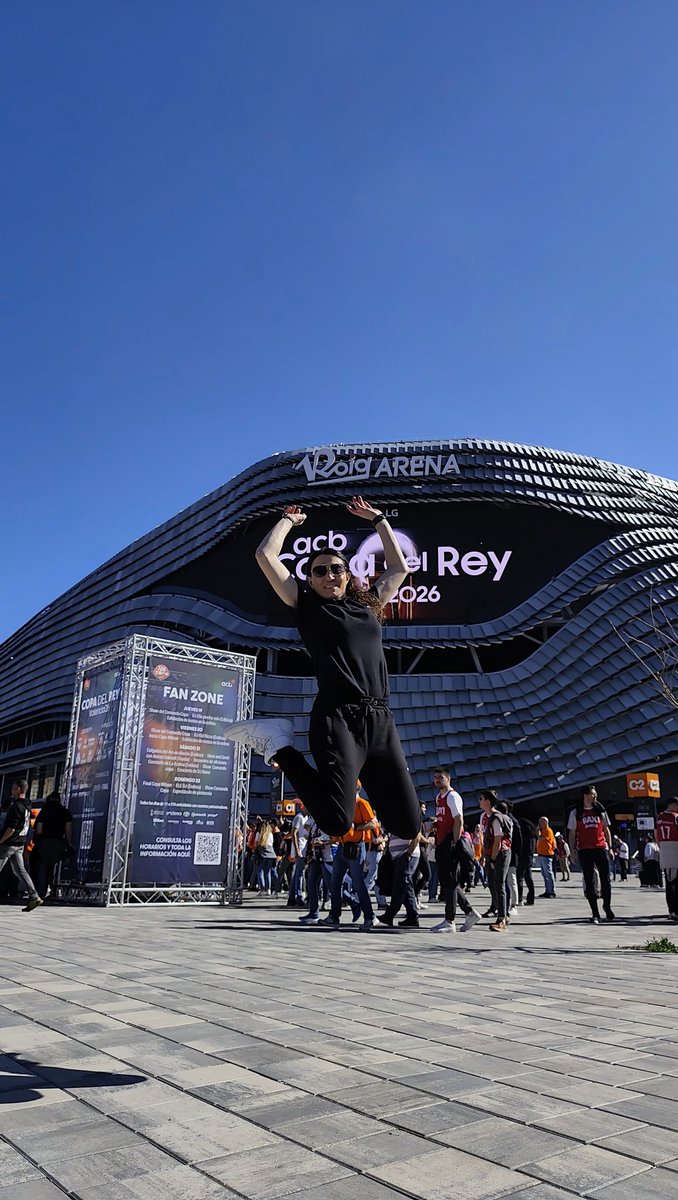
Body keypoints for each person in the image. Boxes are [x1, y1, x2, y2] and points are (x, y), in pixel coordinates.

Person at [224, 499, 421, 841]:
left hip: (380, 720)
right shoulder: (307, 607)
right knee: (335, 822)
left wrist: (378, 520)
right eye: (319, 570)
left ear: (348, 574)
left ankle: (284, 748)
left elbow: (399, 568)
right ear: (310, 581)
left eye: (336, 569)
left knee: (407, 825)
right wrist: (289, 521)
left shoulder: (369, 604)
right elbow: (265, 556)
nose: (329, 575)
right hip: (336, 717)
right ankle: (280, 747)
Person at [431, 767, 481, 934]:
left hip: (449, 844)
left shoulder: (452, 796)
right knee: (448, 882)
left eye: (441, 777)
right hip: (441, 842)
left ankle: (450, 920)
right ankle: (469, 912)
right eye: (436, 777)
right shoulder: (439, 797)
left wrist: (454, 840)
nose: (438, 780)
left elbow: (458, 820)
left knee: (450, 881)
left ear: (448, 779)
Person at [320, 788, 377, 930]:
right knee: (335, 882)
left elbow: (372, 823)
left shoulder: (361, 803)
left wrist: (356, 827)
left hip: (356, 847)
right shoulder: (344, 804)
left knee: (358, 884)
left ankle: (369, 917)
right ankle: (334, 916)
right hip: (342, 846)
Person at [567, 784, 615, 924]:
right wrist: (573, 851)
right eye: (593, 794)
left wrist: (610, 847)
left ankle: (607, 905)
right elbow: (572, 833)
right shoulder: (576, 812)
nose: (595, 796)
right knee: (589, 881)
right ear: (585, 795)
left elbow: (606, 830)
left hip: (600, 848)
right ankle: (595, 912)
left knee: (606, 879)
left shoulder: (600, 811)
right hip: (585, 849)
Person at [0, 781, 43, 912]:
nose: (12, 791)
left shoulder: (16, 807)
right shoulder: (27, 806)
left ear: (19, 789)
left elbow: (11, 828)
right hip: (20, 844)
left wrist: (1, 840)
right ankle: (34, 896)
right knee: (20, 871)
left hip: (9, 843)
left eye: (13, 788)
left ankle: (34, 896)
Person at [480, 790, 512, 932]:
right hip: (492, 853)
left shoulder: (495, 818)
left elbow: (498, 841)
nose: (479, 801)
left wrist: (492, 859)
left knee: (499, 885)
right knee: (493, 884)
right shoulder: (486, 816)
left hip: (500, 854)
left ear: (487, 801)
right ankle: (501, 913)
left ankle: (502, 918)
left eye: (481, 799)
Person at [377, 830, 422, 928]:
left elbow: (417, 834)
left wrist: (409, 853)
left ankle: (390, 914)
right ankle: (412, 917)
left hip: (406, 854)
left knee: (401, 885)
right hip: (397, 855)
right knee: (405, 885)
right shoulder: (397, 819)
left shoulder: (410, 816)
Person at [33, 790, 74, 900]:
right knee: (55, 867)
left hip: (45, 841)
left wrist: (39, 839)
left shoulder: (45, 811)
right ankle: (54, 890)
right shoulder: (65, 812)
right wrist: (68, 843)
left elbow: (39, 828)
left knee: (43, 866)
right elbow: (68, 830)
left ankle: (41, 892)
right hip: (58, 841)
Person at [299, 821, 333, 924]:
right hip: (315, 856)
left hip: (327, 857)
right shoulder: (314, 821)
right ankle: (313, 913)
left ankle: (352, 902)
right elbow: (308, 828)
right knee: (312, 883)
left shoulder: (329, 821)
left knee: (332, 886)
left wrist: (322, 842)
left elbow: (335, 838)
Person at [656, 798, 678, 921]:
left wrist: (661, 848)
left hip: (664, 849)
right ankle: (676, 910)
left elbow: (656, 835)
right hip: (675, 848)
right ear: (674, 805)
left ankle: (671, 910)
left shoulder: (659, 817)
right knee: (677, 883)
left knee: (669, 882)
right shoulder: (676, 817)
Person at [288, 805, 310, 906]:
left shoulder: (306, 818)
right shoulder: (299, 817)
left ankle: (292, 897)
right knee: (299, 873)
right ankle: (298, 896)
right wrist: (297, 850)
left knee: (298, 872)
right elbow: (294, 833)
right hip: (300, 848)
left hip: (303, 848)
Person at [516, 815, 536, 905]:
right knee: (528, 878)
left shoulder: (523, 835)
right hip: (530, 856)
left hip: (523, 857)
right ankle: (531, 898)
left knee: (519, 878)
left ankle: (519, 898)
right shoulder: (532, 836)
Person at [536, 816, 557, 898]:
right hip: (542, 854)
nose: (539, 824)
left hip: (547, 854)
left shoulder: (548, 830)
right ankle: (547, 890)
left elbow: (541, 838)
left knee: (548, 873)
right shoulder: (543, 830)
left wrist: (537, 830)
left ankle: (551, 891)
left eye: (541, 822)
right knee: (544, 874)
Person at [254, 820, 277, 895]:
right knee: (268, 872)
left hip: (261, 854)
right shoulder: (270, 834)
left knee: (260, 871)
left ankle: (262, 889)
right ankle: (268, 889)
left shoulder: (259, 833)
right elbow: (272, 844)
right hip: (271, 854)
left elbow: (255, 844)